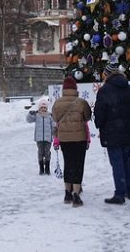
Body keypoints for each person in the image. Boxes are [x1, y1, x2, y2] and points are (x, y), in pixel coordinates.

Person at [93, 62, 130, 204]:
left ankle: (119, 193)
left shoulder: (104, 90)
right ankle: (129, 191)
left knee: (117, 163)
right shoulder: (129, 88)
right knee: (126, 161)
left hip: (111, 132)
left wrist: (100, 124)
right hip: (125, 130)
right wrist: (126, 119)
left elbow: (99, 112)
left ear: (106, 75)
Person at [51, 76, 92, 207]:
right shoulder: (81, 102)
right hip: (79, 138)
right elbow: (88, 117)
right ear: (75, 89)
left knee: (68, 163)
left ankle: (67, 193)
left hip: (64, 138)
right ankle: (76, 194)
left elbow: (56, 118)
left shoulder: (57, 103)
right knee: (78, 165)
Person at [26, 99, 54, 175]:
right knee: (40, 152)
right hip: (39, 138)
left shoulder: (50, 116)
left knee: (47, 153)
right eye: (42, 107)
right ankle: (41, 168)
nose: (43, 109)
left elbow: (53, 125)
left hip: (48, 138)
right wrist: (30, 114)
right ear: (39, 108)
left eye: (45, 108)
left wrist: (56, 128)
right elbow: (28, 120)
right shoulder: (37, 116)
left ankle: (47, 168)